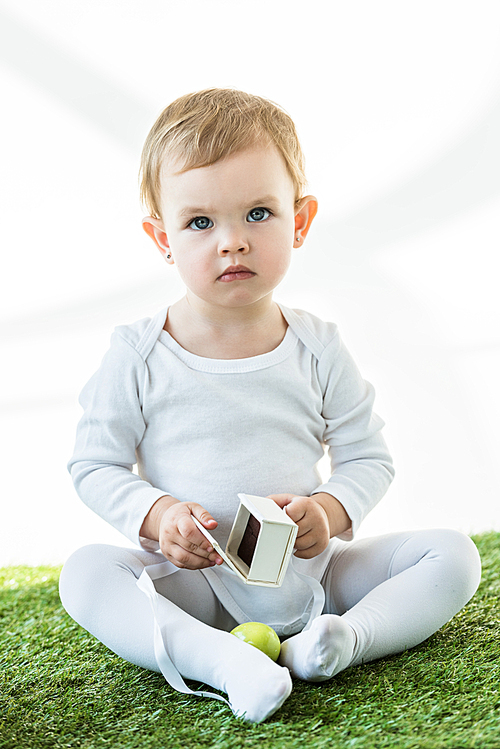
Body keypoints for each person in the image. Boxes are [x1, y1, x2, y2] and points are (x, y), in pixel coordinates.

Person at [59, 88, 481, 724]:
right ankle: (224, 663)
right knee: (86, 574)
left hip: (315, 577)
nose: (233, 242)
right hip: (197, 586)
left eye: (259, 213)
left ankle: (341, 641)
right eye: (200, 222)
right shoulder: (139, 354)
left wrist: (330, 511)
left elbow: (367, 455)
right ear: (161, 238)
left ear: (300, 221)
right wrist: (158, 514)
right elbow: (95, 465)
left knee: (453, 555)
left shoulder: (317, 345)